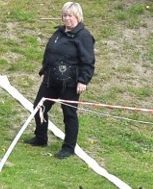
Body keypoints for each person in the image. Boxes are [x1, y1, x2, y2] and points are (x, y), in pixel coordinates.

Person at [23, 2, 94, 160]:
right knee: (39, 107)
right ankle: (40, 138)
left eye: (70, 16)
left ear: (78, 17)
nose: (67, 19)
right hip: (51, 79)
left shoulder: (84, 36)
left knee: (69, 114)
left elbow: (88, 61)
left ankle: (68, 147)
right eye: (65, 15)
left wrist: (83, 81)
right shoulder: (58, 33)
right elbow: (50, 54)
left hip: (71, 83)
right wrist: (44, 71)